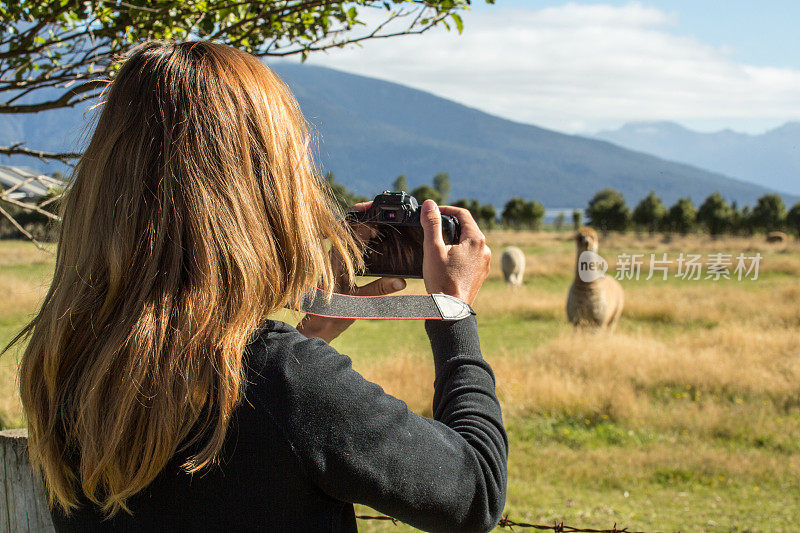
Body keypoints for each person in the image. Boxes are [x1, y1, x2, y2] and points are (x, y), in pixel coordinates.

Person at [15, 41, 507, 532]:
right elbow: (475, 492)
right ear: (264, 193)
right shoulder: (286, 384)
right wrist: (453, 311)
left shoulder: (67, 366)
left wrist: (307, 342)